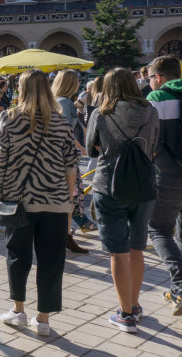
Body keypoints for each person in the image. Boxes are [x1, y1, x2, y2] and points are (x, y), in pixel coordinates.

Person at [0, 69, 80, 337]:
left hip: (18, 201)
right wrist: (68, 203)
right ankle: (43, 319)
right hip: (54, 201)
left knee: (17, 255)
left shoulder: (7, 119)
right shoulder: (61, 122)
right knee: (52, 260)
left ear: (21, 89)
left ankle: (18, 311)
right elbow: (71, 166)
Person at [85, 68, 159, 333]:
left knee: (119, 251)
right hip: (143, 185)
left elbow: (89, 145)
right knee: (138, 247)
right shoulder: (150, 110)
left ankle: (125, 313)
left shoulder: (101, 113)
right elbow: (154, 144)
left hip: (109, 186)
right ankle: (136, 306)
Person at [143, 56, 182, 316]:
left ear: (158, 77)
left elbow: (152, 138)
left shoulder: (158, 98)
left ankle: (180, 286)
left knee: (158, 230)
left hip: (168, 171)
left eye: (149, 79)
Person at [52, 70, 95, 253]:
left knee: (72, 195)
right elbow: (66, 131)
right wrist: (81, 148)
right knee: (72, 194)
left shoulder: (61, 100)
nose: (79, 84)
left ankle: (68, 232)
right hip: (66, 156)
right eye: (76, 81)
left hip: (63, 154)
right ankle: (68, 234)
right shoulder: (64, 102)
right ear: (70, 83)